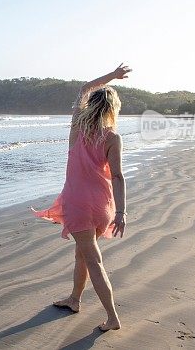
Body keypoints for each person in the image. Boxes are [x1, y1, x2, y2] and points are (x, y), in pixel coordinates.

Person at [32, 63, 131, 332]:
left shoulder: (77, 124)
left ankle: (112, 317)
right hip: (103, 205)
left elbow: (85, 88)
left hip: (78, 204)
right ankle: (74, 299)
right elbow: (118, 177)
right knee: (83, 254)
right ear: (112, 110)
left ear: (90, 106)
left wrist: (112, 76)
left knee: (94, 260)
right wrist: (121, 213)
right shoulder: (113, 137)